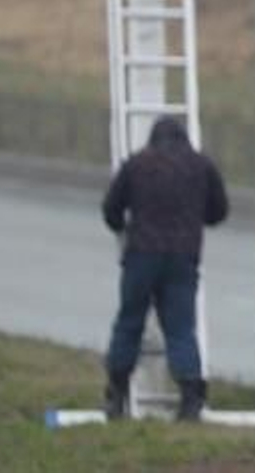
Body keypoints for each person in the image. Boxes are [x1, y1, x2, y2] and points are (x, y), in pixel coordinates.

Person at [101, 115, 229, 421]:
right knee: (181, 329)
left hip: (142, 255)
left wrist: (123, 226)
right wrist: (198, 218)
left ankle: (116, 396)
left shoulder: (137, 164)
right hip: (182, 259)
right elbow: (219, 211)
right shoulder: (201, 166)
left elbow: (110, 211)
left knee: (129, 322)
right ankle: (190, 400)